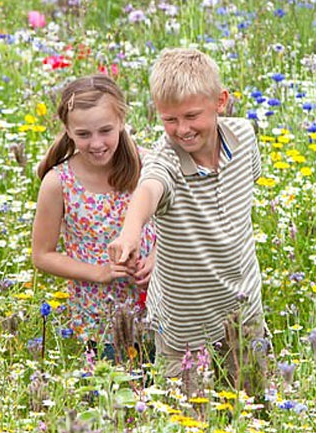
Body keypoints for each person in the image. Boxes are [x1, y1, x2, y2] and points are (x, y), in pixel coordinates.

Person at [108, 48, 268, 393]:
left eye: (191, 116)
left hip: (243, 304)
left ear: (220, 101)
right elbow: (148, 191)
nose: (181, 129)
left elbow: (245, 189)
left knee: (252, 398)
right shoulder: (165, 161)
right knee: (185, 411)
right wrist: (130, 231)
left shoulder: (244, 138)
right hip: (185, 323)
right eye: (169, 119)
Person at [31, 74, 156, 362]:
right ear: (68, 130)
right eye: (84, 134)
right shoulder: (59, 182)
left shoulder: (149, 167)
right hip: (98, 320)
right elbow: (42, 255)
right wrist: (98, 273)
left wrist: (156, 260)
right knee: (107, 397)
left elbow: (178, 226)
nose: (96, 143)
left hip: (157, 308)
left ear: (122, 121)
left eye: (105, 130)